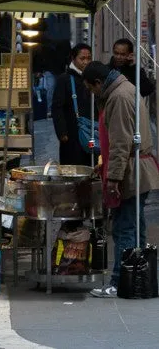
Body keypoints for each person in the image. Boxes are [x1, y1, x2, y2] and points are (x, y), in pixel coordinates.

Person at [83, 62, 159, 298]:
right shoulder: (123, 90)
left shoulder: (118, 97)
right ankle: (139, 278)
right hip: (137, 168)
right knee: (136, 226)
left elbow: (120, 143)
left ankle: (120, 281)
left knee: (125, 227)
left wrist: (113, 179)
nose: (92, 94)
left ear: (98, 83)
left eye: (90, 89)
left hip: (131, 171)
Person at [51, 43, 95, 166]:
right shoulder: (64, 79)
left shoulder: (93, 77)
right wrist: (62, 132)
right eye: (82, 58)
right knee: (73, 167)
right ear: (73, 58)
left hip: (92, 131)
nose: (86, 62)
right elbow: (57, 107)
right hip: (72, 133)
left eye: (89, 58)